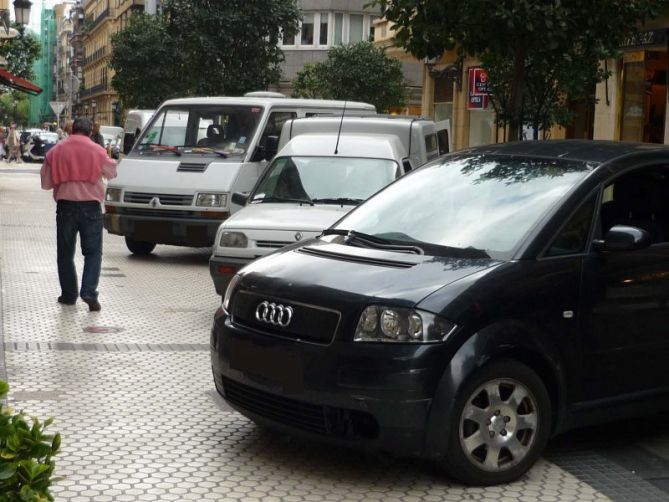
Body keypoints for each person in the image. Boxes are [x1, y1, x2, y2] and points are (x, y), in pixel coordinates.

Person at [40, 117, 117, 311]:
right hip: (91, 207)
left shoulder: (55, 151)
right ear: (90, 132)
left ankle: (68, 295)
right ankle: (89, 292)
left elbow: (46, 183)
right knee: (93, 252)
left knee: (65, 253)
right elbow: (112, 172)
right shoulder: (97, 151)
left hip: (65, 207)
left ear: (71, 131)